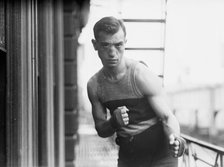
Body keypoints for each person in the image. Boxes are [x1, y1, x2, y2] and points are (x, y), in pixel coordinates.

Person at [87, 16, 186, 167]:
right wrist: (113, 122)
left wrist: (176, 140)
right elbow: (101, 129)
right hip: (129, 155)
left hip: (161, 155)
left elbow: (167, 117)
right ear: (95, 45)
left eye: (118, 45)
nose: (112, 53)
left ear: (125, 43)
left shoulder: (140, 74)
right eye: (106, 45)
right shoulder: (95, 85)